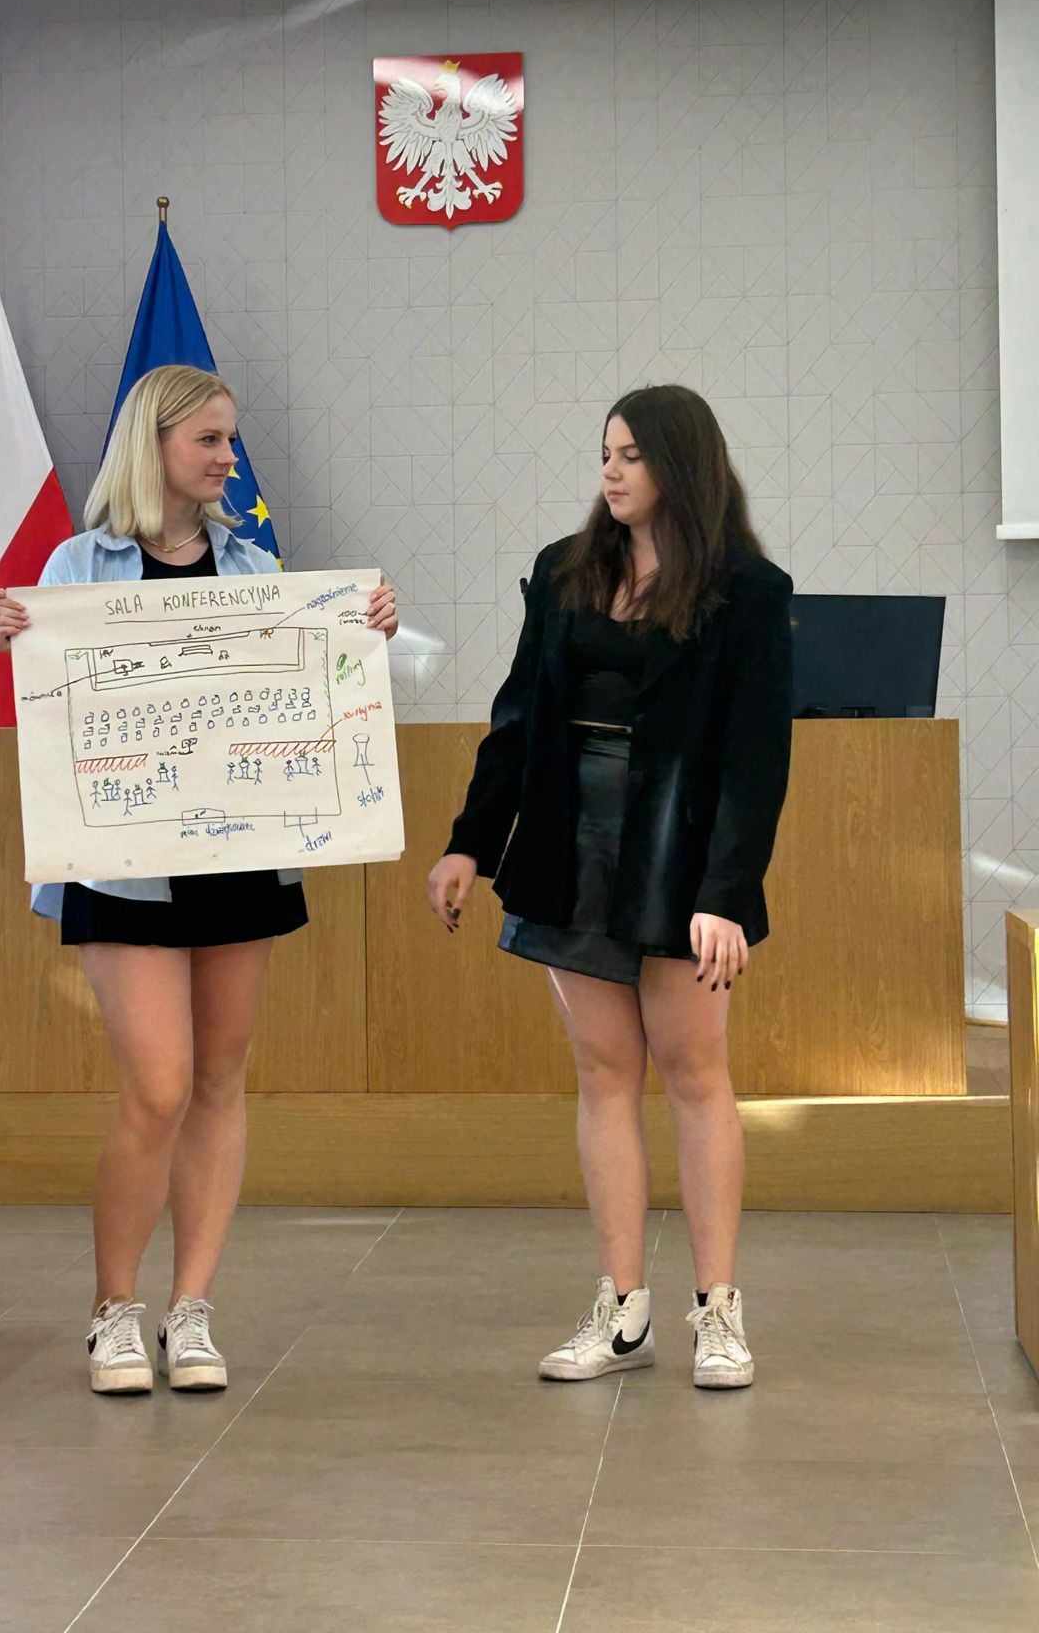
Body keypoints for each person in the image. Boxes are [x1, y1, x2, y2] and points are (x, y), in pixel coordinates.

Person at [0, 363, 398, 1398]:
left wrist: (363, 632)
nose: (227, 457)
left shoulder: (256, 565)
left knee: (219, 1078)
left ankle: (192, 1307)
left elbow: (310, 689)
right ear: (155, 443)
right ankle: (114, 1309)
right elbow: (51, 700)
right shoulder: (78, 564)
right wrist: (10, 639)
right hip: (123, 868)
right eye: (209, 439)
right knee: (159, 1084)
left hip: (241, 854)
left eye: (229, 439)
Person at [427, 384, 792, 1391]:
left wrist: (726, 890)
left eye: (632, 454)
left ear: (682, 463)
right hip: (566, 841)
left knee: (694, 1071)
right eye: (606, 453)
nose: (612, 471)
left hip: (679, 852)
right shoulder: (564, 570)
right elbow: (517, 718)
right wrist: (469, 844)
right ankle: (622, 1309)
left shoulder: (748, 589)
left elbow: (756, 759)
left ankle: (718, 1309)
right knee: (604, 1072)